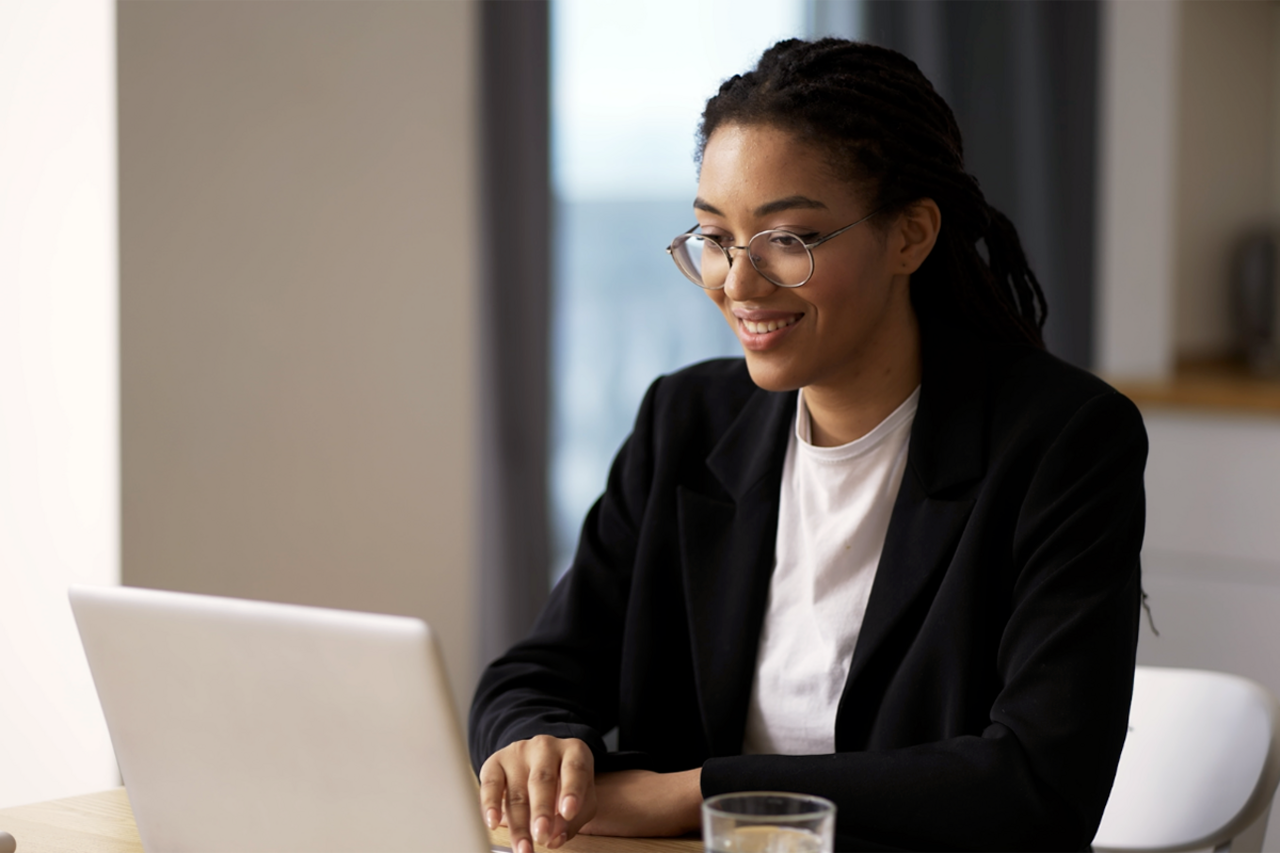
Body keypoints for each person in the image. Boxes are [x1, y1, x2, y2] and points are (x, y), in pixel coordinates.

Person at [469, 37, 1146, 853]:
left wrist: (697, 794)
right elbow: (535, 674)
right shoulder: (684, 420)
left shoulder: (1062, 441)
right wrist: (538, 745)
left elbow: (1036, 787)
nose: (738, 282)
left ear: (911, 236)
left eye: (787, 239)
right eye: (714, 237)